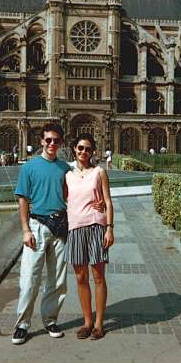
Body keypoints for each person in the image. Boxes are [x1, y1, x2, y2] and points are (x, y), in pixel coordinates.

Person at [12, 123, 71, 345]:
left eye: (56, 140)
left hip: (59, 227)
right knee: (29, 279)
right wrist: (25, 229)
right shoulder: (29, 167)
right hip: (36, 226)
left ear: (61, 143)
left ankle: (50, 320)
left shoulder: (65, 169)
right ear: (41, 142)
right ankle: (22, 324)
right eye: (48, 140)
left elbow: (70, 197)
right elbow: (22, 200)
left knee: (57, 280)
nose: (52, 144)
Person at [65, 133, 114, 340]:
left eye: (87, 148)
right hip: (75, 228)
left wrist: (110, 228)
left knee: (98, 276)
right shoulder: (67, 175)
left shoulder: (99, 172)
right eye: (80, 148)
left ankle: (99, 325)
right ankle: (87, 322)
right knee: (80, 277)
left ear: (93, 151)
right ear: (74, 149)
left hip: (96, 226)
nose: (83, 152)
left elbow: (108, 201)